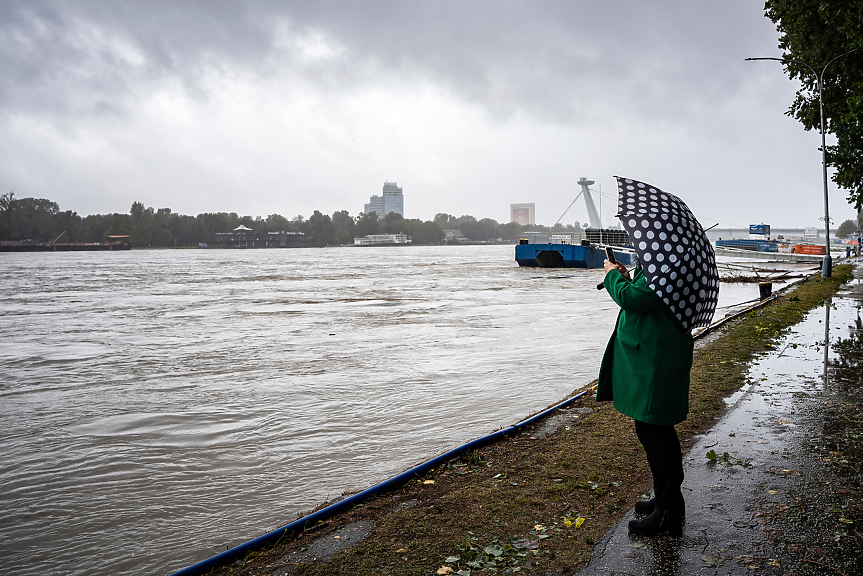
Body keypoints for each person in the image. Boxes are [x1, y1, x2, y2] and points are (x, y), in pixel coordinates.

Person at [597, 257, 694, 537]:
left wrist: (611, 276)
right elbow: (641, 292)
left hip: (655, 362)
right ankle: (670, 500)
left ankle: (668, 513)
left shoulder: (667, 268)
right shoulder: (661, 266)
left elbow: (631, 299)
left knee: (654, 433)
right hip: (654, 357)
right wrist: (627, 276)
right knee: (659, 432)